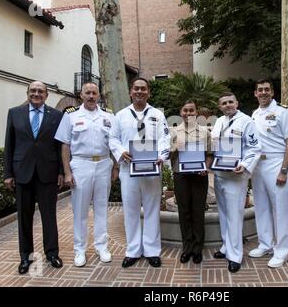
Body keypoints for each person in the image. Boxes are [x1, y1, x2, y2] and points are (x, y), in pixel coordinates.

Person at [109, 77, 170, 268]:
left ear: (148, 92)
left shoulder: (158, 115)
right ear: (130, 91)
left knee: (152, 209)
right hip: (128, 169)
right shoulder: (120, 115)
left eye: (143, 89)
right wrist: (120, 152)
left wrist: (162, 156)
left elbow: (165, 138)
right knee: (131, 210)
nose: (139, 92)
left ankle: (152, 250)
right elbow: (113, 138)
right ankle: (133, 250)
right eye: (136, 88)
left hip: (152, 169)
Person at [3, 81, 64, 274]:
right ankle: (25, 257)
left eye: (40, 91)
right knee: (24, 217)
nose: (36, 94)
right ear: (27, 93)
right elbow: (9, 145)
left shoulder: (56, 115)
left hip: (48, 173)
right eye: (33, 91)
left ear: (47, 95)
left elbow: (60, 145)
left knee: (49, 216)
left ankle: (52, 254)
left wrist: (62, 172)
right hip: (22, 173)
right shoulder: (14, 113)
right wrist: (8, 174)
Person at [54, 82, 116, 267]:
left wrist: (115, 167)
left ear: (99, 95)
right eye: (87, 92)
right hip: (81, 164)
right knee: (79, 211)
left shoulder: (108, 116)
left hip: (104, 163)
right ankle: (79, 250)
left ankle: (101, 247)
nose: (90, 96)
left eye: (94, 93)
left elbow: (113, 142)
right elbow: (65, 145)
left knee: (101, 208)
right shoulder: (71, 116)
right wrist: (67, 172)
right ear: (81, 95)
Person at [211, 92, 261, 273]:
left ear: (237, 102)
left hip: (236, 176)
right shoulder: (218, 122)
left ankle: (235, 255)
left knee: (235, 215)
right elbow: (214, 147)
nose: (228, 105)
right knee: (223, 213)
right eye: (224, 103)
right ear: (220, 106)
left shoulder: (247, 121)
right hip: (219, 175)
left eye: (231, 101)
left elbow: (255, 147)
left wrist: (245, 164)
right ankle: (226, 246)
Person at [249, 80, 288, 268]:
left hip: (277, 163)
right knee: (261, 206)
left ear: (272, 92)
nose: (263, 93)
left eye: (266, 90)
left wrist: (284, 170)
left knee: (280, 209)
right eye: (260, 90)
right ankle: (265, 244)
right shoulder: (254, 114)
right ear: (255, 93)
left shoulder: (282, 112)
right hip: (258, 165)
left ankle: (282, 251)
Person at [169, 100, 213, 264]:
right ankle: (187, 247)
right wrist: (175, 147)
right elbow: (168, 155)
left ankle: (197, 248)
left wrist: (206, 168)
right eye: (185, 110)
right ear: (181, 113)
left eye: (191, 110)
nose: (188, 113)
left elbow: (210, 154)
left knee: (198, 211)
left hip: (199, 175)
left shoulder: (204, 132)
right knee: (184, 211)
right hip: (180, 175)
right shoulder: (174, 132)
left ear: (196, 113)